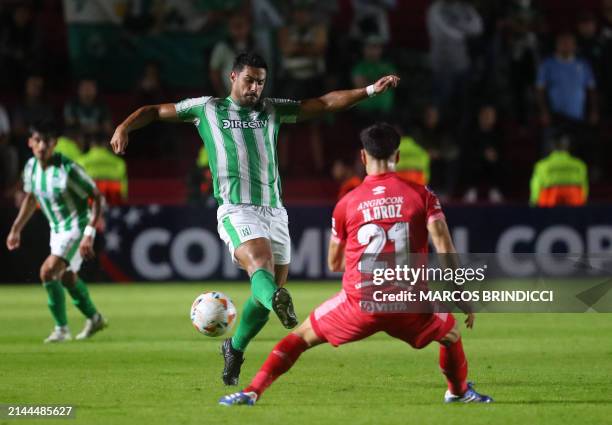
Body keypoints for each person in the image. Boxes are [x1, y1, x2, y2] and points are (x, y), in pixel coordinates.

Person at [110, 52, 399, 385]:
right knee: (260, 266)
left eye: (260, 82)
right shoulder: (207, 108)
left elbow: (324, 103)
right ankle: (275, 298)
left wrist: (370, 91)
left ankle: (234, 347)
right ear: (232, 77)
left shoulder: (272, 110)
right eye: (249, 80)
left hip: (275, 210)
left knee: (266, 296)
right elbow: (154, 111)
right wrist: (124, 126)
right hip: (236, 207)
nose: (255, 88)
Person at [219, 123, 493, 406]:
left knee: (298, 338)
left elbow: (334, 262)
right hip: (409, 304)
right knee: (450, 334)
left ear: (363, 157)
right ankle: (458, 392)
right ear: (397, 157)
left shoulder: (347, 203)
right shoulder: (422, 196)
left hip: (358, 304)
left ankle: (251, 392)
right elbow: (444, 246)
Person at [5, 121, 107, 343]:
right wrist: (16, 228)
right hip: (57, 229)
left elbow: (97, 196)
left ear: (55, 144)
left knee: (47, 271)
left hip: (78, 227)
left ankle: (61, 329)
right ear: (30, 143)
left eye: (47, 141)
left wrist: (89, 233)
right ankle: (95, 317)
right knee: (68, 278)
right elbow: (31, 198)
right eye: (38, 140)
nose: (42, 146)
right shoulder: (31, 167)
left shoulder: (68, 170)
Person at [530, 135, 588, 207]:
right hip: (574, 206)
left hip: (549, 207)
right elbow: (584, 187)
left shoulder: (542, 165)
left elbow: (536, 185)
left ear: (551, 147)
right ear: (567, 147)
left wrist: (533, 202)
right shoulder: (579, 165)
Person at [77, 134, 128, 205]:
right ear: (106, 144)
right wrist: (124, 196)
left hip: (90, 197)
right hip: (112, 197)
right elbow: (123, 181)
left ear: (91, 144)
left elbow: (78, 182)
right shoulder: (118, 162)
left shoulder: (81, 161)